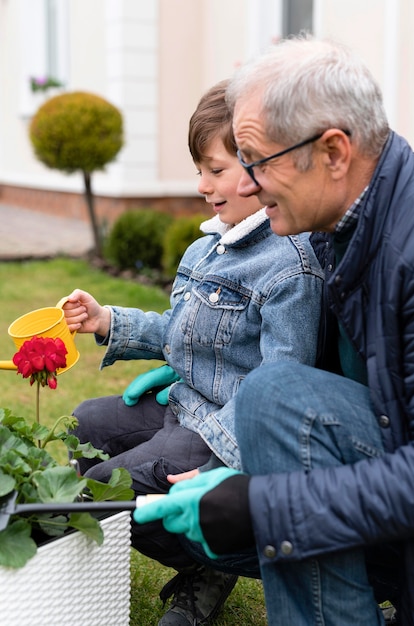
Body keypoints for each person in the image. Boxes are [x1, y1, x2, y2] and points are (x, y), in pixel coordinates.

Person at [133, 35, 414, 626]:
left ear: (334, 152)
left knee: (277, 405)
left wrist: (265, 505)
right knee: (275, 396)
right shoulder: (340, 225)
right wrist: (194, 345)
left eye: (257, 161)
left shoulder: (408, 249)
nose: (248, 185)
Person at [62, 79, 324, 626]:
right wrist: (109, 320)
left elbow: (282, 386)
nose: (202, 184)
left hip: (224, 430)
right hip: (182, 405)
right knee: (80, 425)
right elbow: (183, 329)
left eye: (216, 168)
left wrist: (226, 465)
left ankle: (210, 561)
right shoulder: (207, 246)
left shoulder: (290, 266)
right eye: (198, 168)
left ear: (262, 167)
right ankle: (174, 554)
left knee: (113, 490)